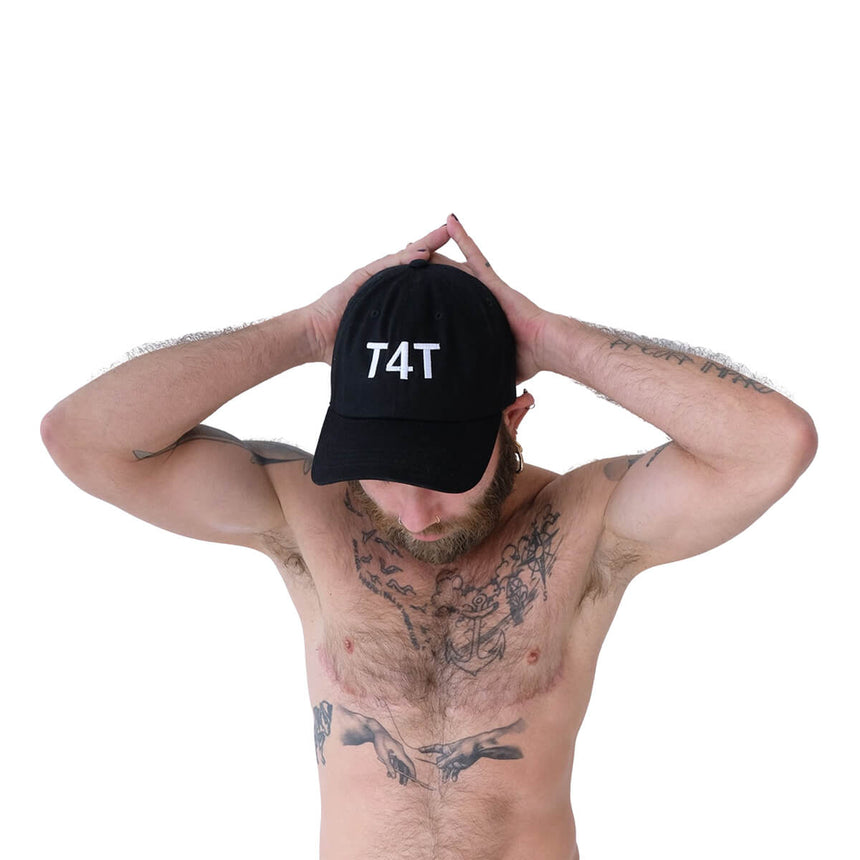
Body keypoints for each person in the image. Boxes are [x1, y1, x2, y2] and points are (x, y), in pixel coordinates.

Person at [41, 215, 817, 859]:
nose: (414, 515)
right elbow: (84, 439)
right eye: (383, 471)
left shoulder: (584, 525)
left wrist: (552, 340)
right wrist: (304, 332)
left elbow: (770, 446)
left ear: (512, 419)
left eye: (444, 474)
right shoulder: (303, 511)